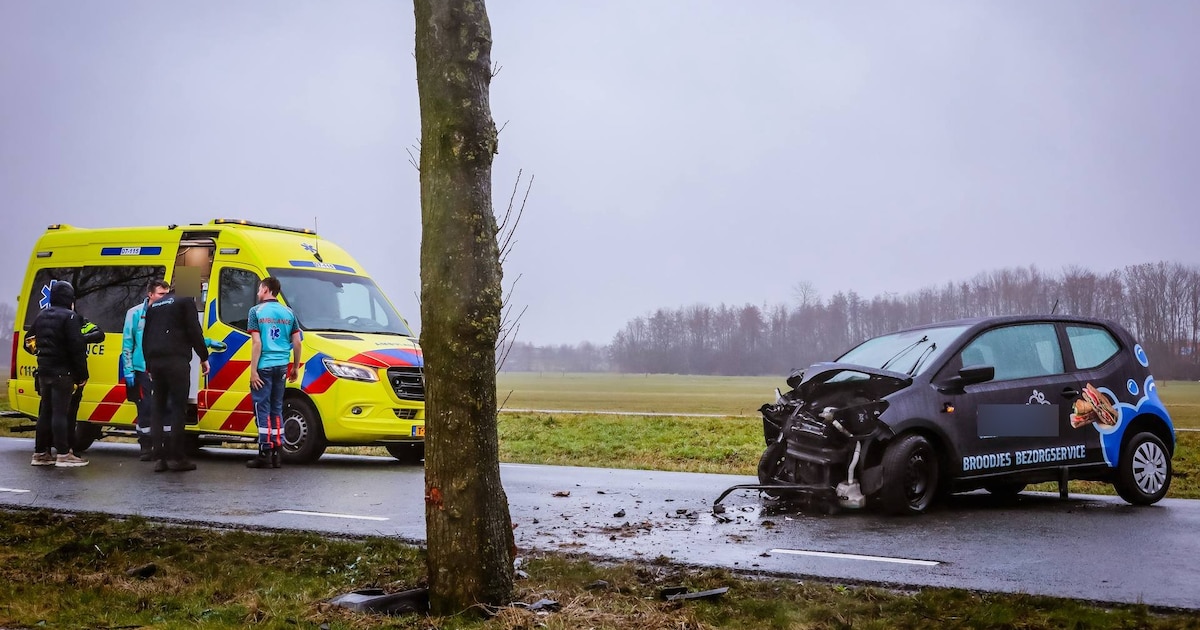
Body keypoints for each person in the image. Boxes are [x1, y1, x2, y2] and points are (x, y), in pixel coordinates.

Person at [142, 285, 209, 472]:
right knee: (178, 408)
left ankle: (159, 458)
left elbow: (146, 336)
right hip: (176, 361)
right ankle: (177, 458)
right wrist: (204, 356)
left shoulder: (155, 305)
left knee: (158, 408)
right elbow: (194, 330)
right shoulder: (185, 301)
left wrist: (149, 364)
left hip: (156, 362)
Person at [24, 281, 90, 467]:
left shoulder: (42, 315)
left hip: (44, 371)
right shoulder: (70, 317)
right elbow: (76, 348)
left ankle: (40, 453)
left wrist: (40, 352)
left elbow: (28, 341)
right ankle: (63, 454)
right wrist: (82, 375)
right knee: (60, 413)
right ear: (69, 299)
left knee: (45, 412)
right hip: (63, 372)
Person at [246, 276, 301, 469]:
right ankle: (278, 452)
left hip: (264, 366)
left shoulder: (255, 312)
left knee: (262, 408)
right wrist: (295, 367)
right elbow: (297, 342)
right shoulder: (289, 313)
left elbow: (257, 343)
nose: (257, 292)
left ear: (266, 289)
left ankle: (265, 452)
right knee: (276, 408)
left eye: (259, 289)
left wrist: (253, 371)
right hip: (282, 366)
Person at [122, 279, 172, 460]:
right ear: (150, 294)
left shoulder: (170, 312)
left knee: (167, 406)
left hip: (164, 368)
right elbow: (127, 343)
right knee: (145, 407)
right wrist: (128, 370)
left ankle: (165, 446)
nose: (165, 297)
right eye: (161, 294)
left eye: (167, 294)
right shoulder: (135, 313)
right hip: (142, 369)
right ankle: (145, 445)